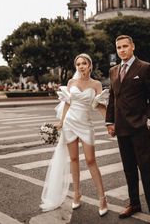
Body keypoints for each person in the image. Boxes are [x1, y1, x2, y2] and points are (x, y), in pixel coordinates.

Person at [40, 53, 109, 216]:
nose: (81, 66)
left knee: (91, 161)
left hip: (85, 125)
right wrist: (61, 122)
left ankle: (102, 198)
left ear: (90, 65)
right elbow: (67, 104)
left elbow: (100, 106)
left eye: (84, 63)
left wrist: (110, 124)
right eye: (78, 64)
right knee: (74, 159)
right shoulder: (71, 82)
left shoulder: (96, 84)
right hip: (70, 124)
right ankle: (77, 194)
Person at [106, 35, 150, 224]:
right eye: (118, 47)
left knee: (146, 170)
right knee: (129, 170)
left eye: (125, 46)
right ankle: (134, 204)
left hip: (139, 128)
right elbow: (112, 98)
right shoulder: (114, 70)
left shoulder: (145, 68)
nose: (121, 50)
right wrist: (110, 122)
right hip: (121, 128)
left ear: (132, 47)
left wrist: (148, 120)